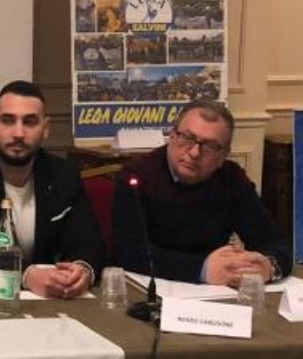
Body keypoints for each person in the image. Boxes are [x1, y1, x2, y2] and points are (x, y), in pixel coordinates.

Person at [0, 81, 106, 299]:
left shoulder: (64, 174)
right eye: (8, 120)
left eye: (30, 122)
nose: (19, 133)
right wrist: (26, 275)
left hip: (43, 301)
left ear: (46, 128)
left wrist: (83, 271)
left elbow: (88, 240)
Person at [113, 99, 290, 286]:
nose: (194, 153)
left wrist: (268, 267)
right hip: (149, 290)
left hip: (216, 293)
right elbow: (130, 253)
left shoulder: (232, 179)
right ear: (172, 136)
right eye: (187, 138)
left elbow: (274, 241)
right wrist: (201, 269)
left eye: (209, 146)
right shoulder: (137, 176)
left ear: (223, 156)